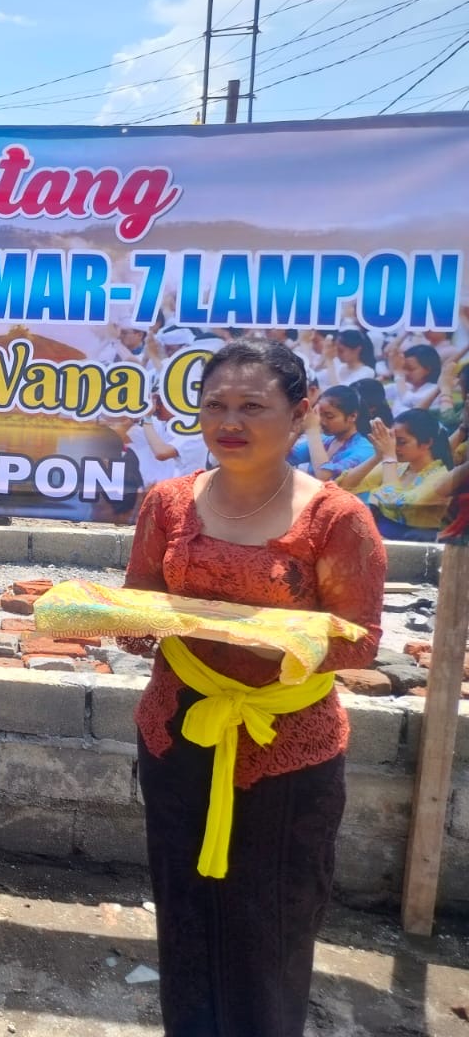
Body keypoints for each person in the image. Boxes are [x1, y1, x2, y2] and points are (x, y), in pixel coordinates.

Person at [119, 337, 383, 1037]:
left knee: (271, 921)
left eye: (252, 406)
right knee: (185, 910)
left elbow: (359, 639)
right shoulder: (168, 504)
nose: (229, 422)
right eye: (215, 406)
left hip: (285, 747)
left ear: (299, 414)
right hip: (178, 730)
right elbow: (139, 609)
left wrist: (251, 632)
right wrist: (124, 621)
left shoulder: (335, 518)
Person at [337, 408, 454, 540]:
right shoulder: (398, 466)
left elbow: (394, 503)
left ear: (427, 443)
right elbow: (344, 486)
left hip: (415, 544)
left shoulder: (441, 476)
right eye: (392, 441)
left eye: (401, 442)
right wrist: (377, 456)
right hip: (382, 537)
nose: (394, 447)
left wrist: (389, 457)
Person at [288, 383, 375, 481]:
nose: (322, 421)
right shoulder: (324, 440)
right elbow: (283, 457)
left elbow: (326, 478)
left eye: (329, 416)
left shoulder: (365, 449)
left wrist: (313, 430)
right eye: (320, 415)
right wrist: (298, 431)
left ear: (352, 416)